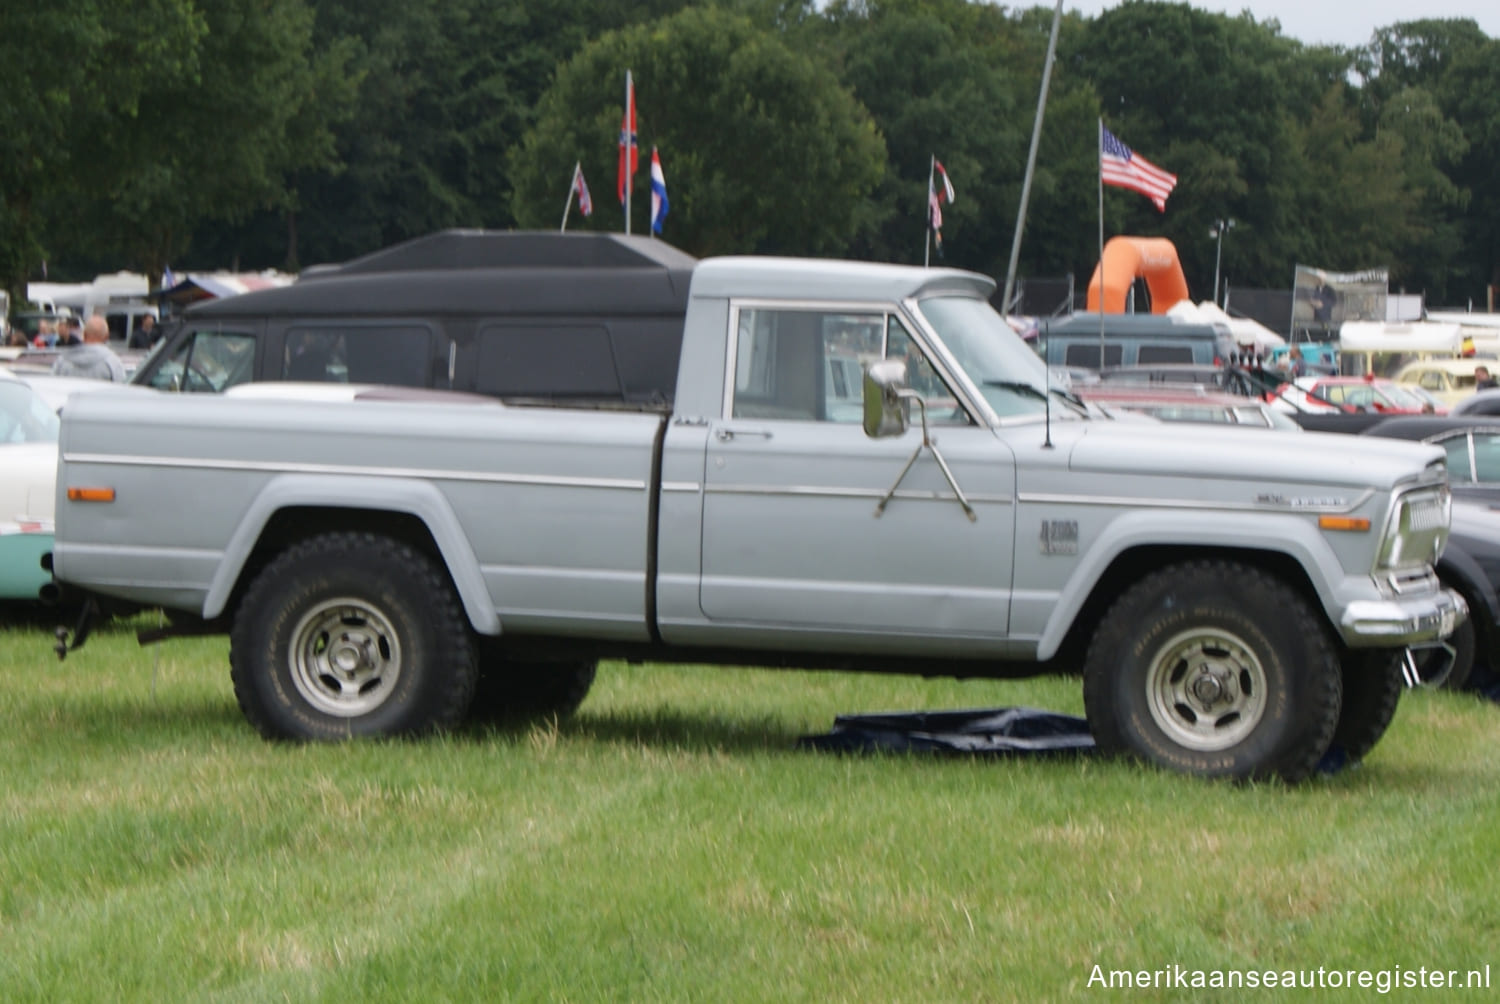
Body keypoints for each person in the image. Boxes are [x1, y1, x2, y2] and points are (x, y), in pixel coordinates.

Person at [52, 314, 127, 381]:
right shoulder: (113, 363)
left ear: (84, 335)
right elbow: (121, 390)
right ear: (106, 337)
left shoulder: (62, 361)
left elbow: (52, 387)